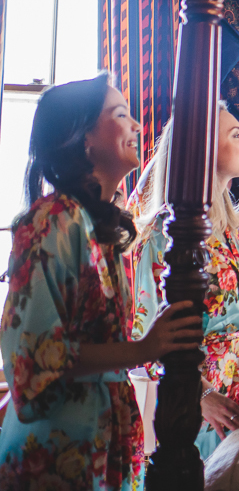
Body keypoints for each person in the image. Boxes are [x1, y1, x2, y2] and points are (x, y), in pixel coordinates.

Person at [0, 75, 202, 490]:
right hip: (57, 451)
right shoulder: (53, 220)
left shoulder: (102, 227)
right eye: (121, 115)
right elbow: (32, 357)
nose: (138, 126)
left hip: (107, 436)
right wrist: (143, 349)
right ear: (83, 138)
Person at [130, 105, 239, 459]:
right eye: (236, 135)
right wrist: (203, 395)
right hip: (206, 405)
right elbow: (145, 335)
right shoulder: (168, 232)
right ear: (203, 148)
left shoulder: (238, 229)